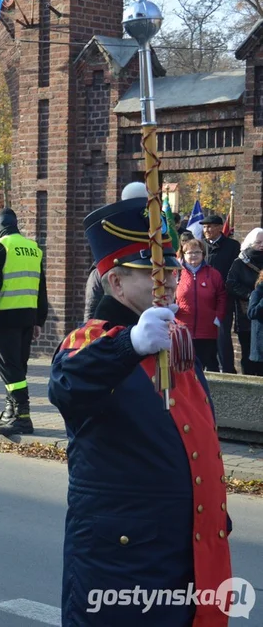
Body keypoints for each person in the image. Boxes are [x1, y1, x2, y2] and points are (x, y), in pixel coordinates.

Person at [49, 187, 231, 626]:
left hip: (187, 550)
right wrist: (129, 344)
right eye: (148, 272)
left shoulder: (174, 340)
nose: (165, 279)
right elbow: (68, 385)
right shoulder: (92, 341)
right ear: (115, 282)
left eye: (169, 269)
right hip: (123, 561)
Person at [0, 209, 48, 436]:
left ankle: (23, 416)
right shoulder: (33, 249)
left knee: (9, 368)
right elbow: (41, 287)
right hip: (27, 315)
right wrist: (39, 320)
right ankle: (11, 410)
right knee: (19, 365)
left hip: (5, 316)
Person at [175, 238, 226, 372]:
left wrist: (218, 317)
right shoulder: (176, 273)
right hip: (182, 330)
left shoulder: (213, 274)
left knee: (204, 367)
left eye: (197, 252)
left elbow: (221, 296)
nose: (193, 255)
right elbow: (168, 294)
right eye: (189, 252)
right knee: (184, 369)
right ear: (183, 254)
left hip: (207, 330)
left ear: (203, 254)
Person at [201, 214, 239, 372]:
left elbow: (233, 271)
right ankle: (210, 367)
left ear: (219, 227)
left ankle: (228, 370)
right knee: (205, 334)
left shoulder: (232, 246)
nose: (206, 230)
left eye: (209, 226)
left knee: (222, 334)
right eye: (204, 227)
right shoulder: (201, 245)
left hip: (223, 297)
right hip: (203, 297)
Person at [225, 227, 263, 375]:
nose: (262, 245)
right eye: (258, 242)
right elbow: (231, 284)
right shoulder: (240, 262)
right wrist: (252, 296)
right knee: (248, 351)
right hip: (247, 312)